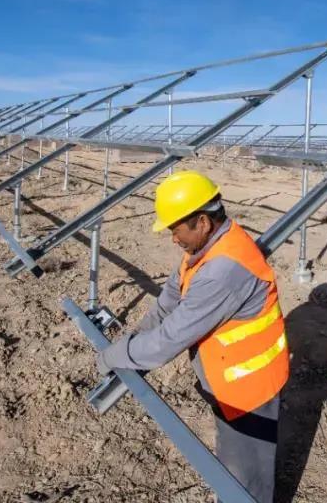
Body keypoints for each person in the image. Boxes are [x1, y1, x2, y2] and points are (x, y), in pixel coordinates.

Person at [97, 170, 288, 503]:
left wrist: (113, 355)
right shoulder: (205, 250)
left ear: (201, 221)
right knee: (233, 462)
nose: (173, 238)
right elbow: (167, 303)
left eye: (175, 229)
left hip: (247, 388)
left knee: (245, 480)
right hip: (227, 376)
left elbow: (170, 338)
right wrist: (131, 339)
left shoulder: (223, 270)